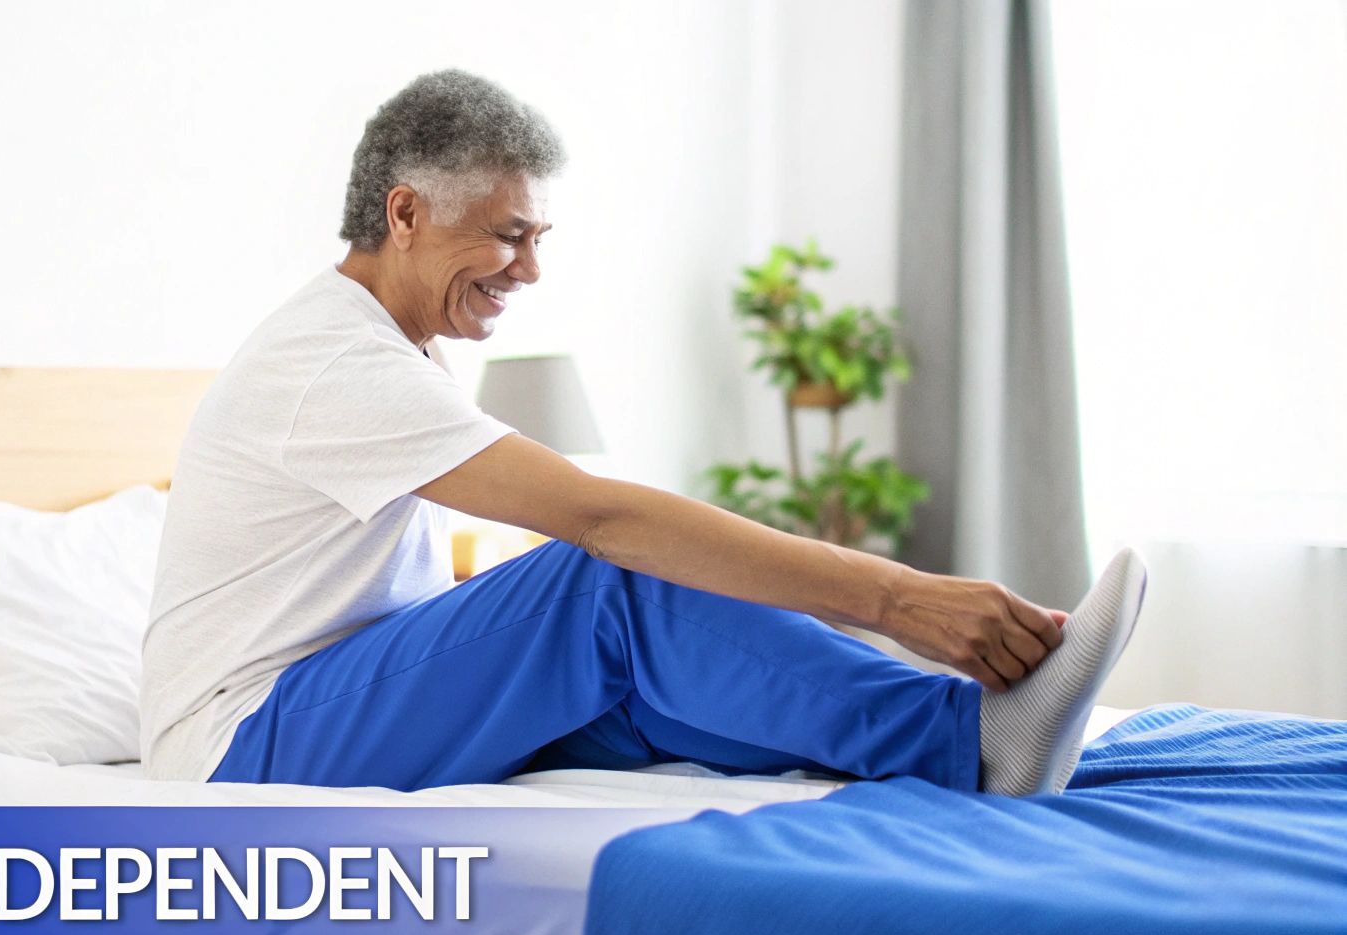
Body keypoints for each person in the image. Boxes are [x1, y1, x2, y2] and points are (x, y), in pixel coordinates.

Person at [140, 69, 1147, 798]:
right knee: (602, 579)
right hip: (239, 744)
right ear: (402, 213)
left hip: (333, 700)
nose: (526, 269)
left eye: (538, 237)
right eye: (506, 234)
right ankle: (959, 734)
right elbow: (603, 523)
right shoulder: (332, 360)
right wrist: (898, 597)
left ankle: (950, 754)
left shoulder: (391, 345)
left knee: (654, 681)